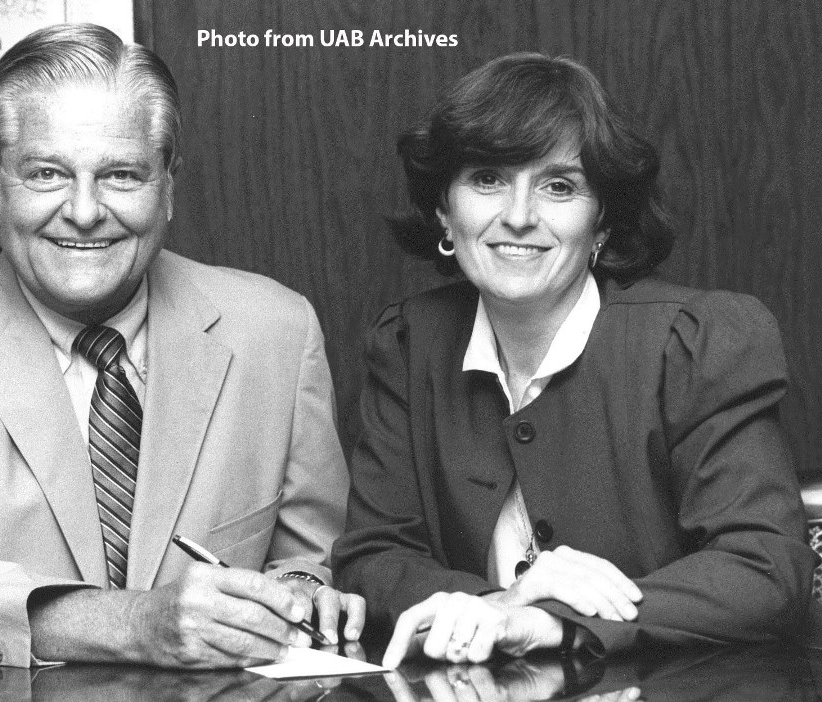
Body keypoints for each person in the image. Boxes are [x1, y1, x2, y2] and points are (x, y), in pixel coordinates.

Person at [0, 23, 364, 669]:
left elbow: (317, 556)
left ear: (168, 185)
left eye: (122, 175)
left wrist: (302, 593)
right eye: (46, 173)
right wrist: (134, 623)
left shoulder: (275, 329)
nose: (83, 210)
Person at [332, 52, 815, 668]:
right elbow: (372, 555)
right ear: (444, 213)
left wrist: (554, 621)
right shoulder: (409, 342)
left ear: (603, 221)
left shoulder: (694, 343)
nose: (519, 215)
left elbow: (767, 567)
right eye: (487, 179)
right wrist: (494, 606)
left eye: (559, 186)